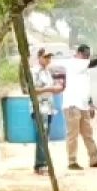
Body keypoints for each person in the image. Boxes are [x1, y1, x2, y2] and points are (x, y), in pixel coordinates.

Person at [59, 44, 97, 171]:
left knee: (88, 133)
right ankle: (72, 161)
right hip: (72, 105)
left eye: (88, 55)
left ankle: (94, 159)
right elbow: (94, 62)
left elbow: (85, 88)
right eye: (85, 55)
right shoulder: (74, 63)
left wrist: (91, 104)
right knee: (73, 134)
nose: (87, 58)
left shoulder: (83, 67)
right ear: (78, 53)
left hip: (83, 105)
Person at [32, 47, 64, 175]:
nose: (48, 59)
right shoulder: (35, 72)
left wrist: (56, 88)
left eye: (49, 57)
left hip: (49, 107)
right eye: (45, 57)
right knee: (42, 136)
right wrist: (50, 88)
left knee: (45, 136)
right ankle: (41, 164)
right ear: (39, 57)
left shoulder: (47, 72)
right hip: (39, 106)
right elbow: (33, 90)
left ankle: (43, 162)